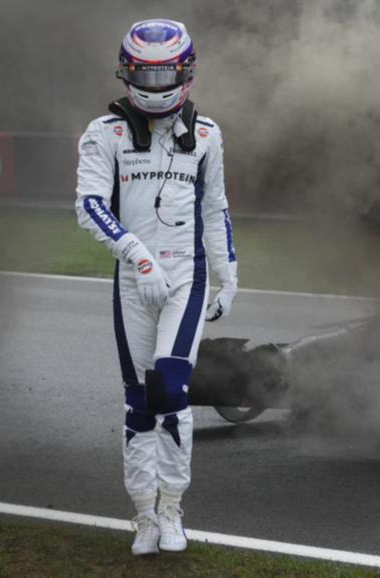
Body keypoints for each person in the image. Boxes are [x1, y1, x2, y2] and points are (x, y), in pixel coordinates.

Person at [75, 18, 237, 555]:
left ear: (185, 72)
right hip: (133, 282)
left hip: (186, 279)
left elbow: (216, 210)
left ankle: (173, 509)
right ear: (126, 73)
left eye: (165, 70)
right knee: (139, 402)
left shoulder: (208, 135)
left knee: (171, 387)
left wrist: (227, 272)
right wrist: (136, 255)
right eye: (145, 72)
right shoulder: (105, 133)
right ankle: (144, 517)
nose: (155, 82)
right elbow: (89, 205)